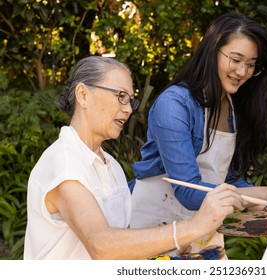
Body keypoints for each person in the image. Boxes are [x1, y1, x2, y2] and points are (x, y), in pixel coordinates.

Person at [23, 56, 245, 260]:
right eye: (120, 96)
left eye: (130, 100)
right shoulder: (63, 162)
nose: (128, 109)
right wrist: (195, 226)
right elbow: (100, 245)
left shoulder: (112, 166)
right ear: (83, 95)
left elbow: (123, 244)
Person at [129, 11, 267, 256]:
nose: (242, 71)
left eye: (250, 65)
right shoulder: (173, 105)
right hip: (153, 230)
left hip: (203, 230)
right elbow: (188, 191)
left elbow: (227, 180)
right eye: (236, 59)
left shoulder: (234, 107)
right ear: (213, 50)